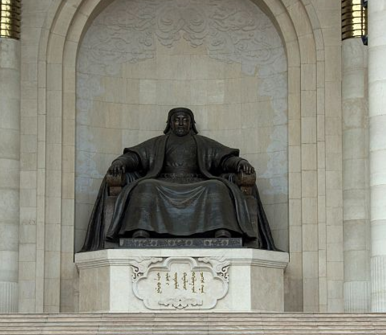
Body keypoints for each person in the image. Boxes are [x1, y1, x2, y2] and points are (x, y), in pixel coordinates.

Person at [80, 107, 277, 251]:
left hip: (197, 182)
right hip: (162, 181)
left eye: (185, 120)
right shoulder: (158, 143)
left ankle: (221, 230)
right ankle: (141, 230)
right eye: (177, 120)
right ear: (170, 123)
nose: (181, 123)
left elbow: (224, 159)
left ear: (191, 124)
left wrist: (240, 163)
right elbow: (135, 157)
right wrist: (119, 163)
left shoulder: (201, 143)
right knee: (145, 187)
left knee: (216, 187)